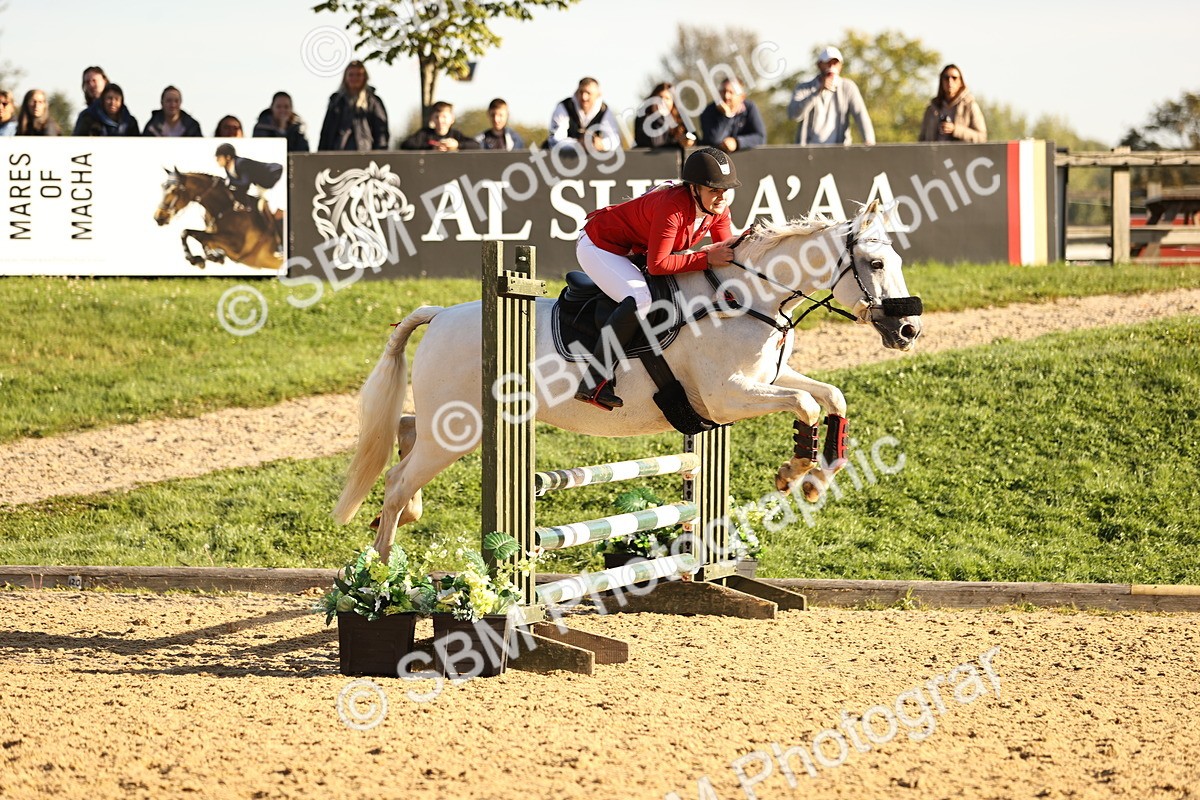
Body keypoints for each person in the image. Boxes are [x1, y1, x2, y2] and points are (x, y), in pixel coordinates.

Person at [572, 146, 739, 409]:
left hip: (634, 251)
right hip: (600, 246)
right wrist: (705, 258)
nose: (721, 197)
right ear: (694, 188)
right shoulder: (673, 205)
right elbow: (659, 264)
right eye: (713, 190)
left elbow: (727, 251)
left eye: (726, 190)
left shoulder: (718, 209)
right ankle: (594, 381)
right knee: (640, 298)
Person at [787, 46, 875, 146]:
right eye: (827, 62)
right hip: (809, 152)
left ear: (840, 66)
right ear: (819, 65)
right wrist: (817, 92)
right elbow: (793, 115)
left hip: (839, 152)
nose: (831, 66)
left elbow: (860, 115)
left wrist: (869, 140)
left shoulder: (848, 87)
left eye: (835, 63)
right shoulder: (804, 88)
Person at [214, 143, 284, 255]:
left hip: (275, 180)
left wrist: (230, 183)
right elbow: (240, 187)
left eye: (219, 157)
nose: (217, 159)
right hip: (260, 186)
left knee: (273, 212)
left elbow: (245, 183)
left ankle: (282, 245)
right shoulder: (228, 168)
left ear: (228, 157)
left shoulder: (241, 163)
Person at [318, 60, 389, 151]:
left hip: (365, 153)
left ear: (364, 77)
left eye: (358, 75)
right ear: (345, 77)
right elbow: (326, 131)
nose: (354, 78)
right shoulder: (336, 101)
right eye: (351, 75)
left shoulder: (373, 102)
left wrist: (381, 154)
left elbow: (381, 131)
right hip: (338, 153)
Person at [546, 77, 622, 152]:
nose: (584, 97)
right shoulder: (564, 107)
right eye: (581, 92)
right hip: (560, 159)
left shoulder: (604, 110)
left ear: (598, 95)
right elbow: (555, 140)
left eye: (588, 93)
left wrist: (601, 144)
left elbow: (614, 140)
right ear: (576, 92)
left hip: (591, 160)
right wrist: (578, 145)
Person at [919, 64, 987, 143]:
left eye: (954, 78)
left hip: (960, 154)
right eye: (946, 78)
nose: (950, 81)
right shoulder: (932, 108)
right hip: (935, 154)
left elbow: (982, 137)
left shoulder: (969, 105)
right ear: (941, 81)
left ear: (961, 82)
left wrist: (955, 130)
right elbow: (922, 140)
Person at [698, 78, 765, 153]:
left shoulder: (749, 108)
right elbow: (713, 140)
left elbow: (760, 137)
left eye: (731, 92)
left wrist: (737, 142)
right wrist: (726, 116)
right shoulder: (708, 111)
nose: (726, 96)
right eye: (723, 91)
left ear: (742, 97)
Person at [634, 82, 694, 151]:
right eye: (659, 97)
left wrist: (687, 142)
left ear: (673, 102)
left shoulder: (680, 119)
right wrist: (658, 116)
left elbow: (695, 140)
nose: (662, 101)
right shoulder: (643, 119)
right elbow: (655, 143)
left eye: (667, 98)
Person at [399, 101, 480, 151]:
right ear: (432, 119)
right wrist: (432, 148)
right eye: (437, 117)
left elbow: (476, 145)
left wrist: (457, 145)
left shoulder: (456, 135)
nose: (440, 121)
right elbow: (405, 145)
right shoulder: (424, 134)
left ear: (452, 119)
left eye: (444, 117)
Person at [74, 83, 139, 136]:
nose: (112, 103)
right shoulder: (88, 119)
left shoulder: (130, 123)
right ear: (103, 100)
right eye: (109, 98)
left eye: (117, 99)